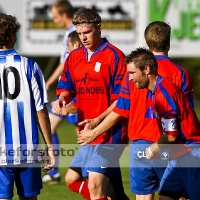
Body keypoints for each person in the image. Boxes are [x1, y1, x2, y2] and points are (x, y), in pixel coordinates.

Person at [78, 21, 192, 200]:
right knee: (174, 194)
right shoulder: (180, 74)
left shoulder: (133, 73)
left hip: (139, 146)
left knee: (143, 196)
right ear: (169, 42)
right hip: (167, 145)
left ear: (147, 45)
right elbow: (186, 116)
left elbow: (121, 109)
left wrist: (95, 132)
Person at [52, 8, 129, 200]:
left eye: (87, 32)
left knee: (94, 185)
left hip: (111, 133)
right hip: (87, 134)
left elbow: (121, 100)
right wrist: (62, 98)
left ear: (99, 28)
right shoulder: (74, 57)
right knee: (74, 179)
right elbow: (66, 86)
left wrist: (98, 121)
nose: (83, 38)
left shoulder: (114, 56)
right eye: (79, 33)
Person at [124, 47, 200, 200]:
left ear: (146, 69)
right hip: (178, 156)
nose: (130, 78)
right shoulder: (157, 90)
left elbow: (171, 136)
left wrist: (152, 149)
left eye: (132, 73)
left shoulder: (163, 94)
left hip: (190, 155)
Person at [0, 13, 55, 200]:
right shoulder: (30, 66)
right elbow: (40, 110)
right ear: (12, 36)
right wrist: (49, 146)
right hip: (28, 150)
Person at [42, 0, 77, 184]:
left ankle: (94, 169)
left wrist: (50, 81)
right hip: (67, 89)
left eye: (55, 16)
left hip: (74, 89)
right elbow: (65, 63)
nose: (54, 20)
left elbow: (68, 63)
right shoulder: (69, 33)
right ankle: (54, 171)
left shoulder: (74, 33)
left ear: (64, 14)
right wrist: (50, 81)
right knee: (50, 124)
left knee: (83, 132)